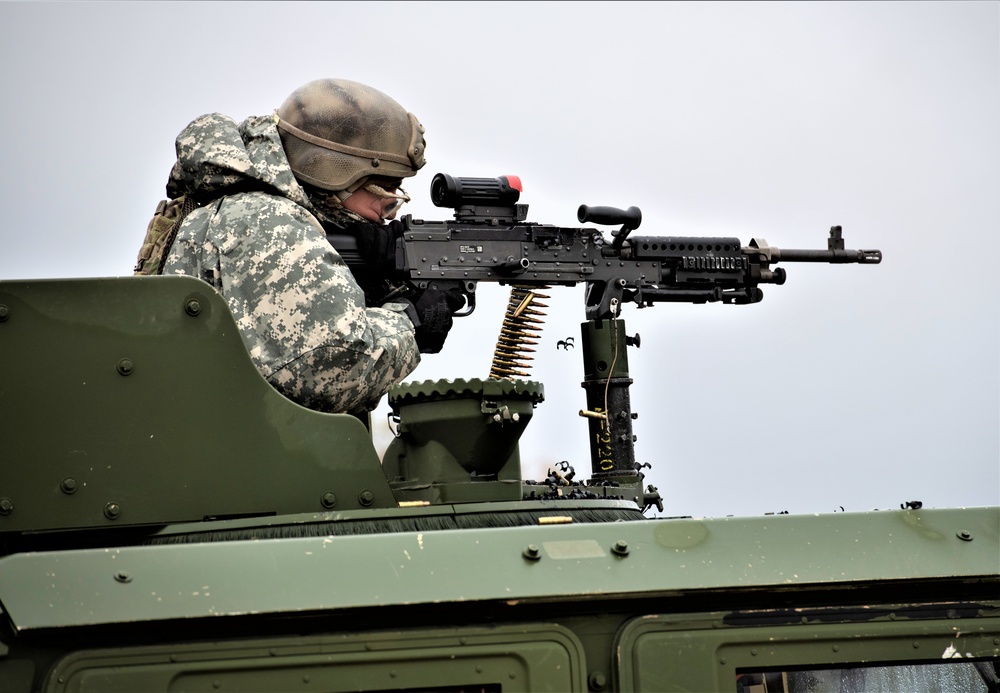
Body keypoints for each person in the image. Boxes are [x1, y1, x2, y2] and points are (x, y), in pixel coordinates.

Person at [148, 78, 462, 416]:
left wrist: (378, 289)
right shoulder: (265, 219)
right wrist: (410, 320)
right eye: (388, 192)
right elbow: (329, 367)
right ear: (336, 174)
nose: (389, 212)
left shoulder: (254, 212)